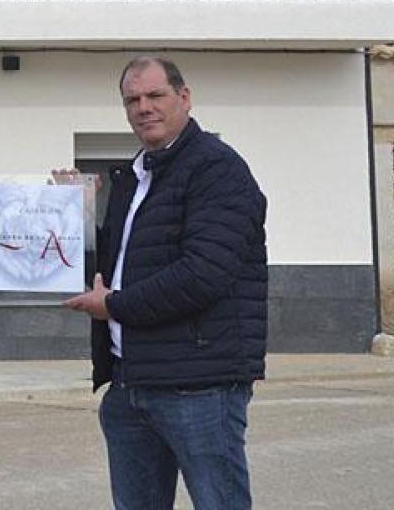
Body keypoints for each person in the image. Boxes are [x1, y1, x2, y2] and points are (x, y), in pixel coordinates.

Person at [63, 55, 268, 510]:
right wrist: (65, 215)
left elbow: (203, 275)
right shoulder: (133, 177)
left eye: (155, 95)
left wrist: (114, 306)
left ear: (184, 97)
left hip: (200, 385)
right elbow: (112, 268)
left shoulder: (217, 169)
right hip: (130, 384)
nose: (144, 107)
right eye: (132, 99)